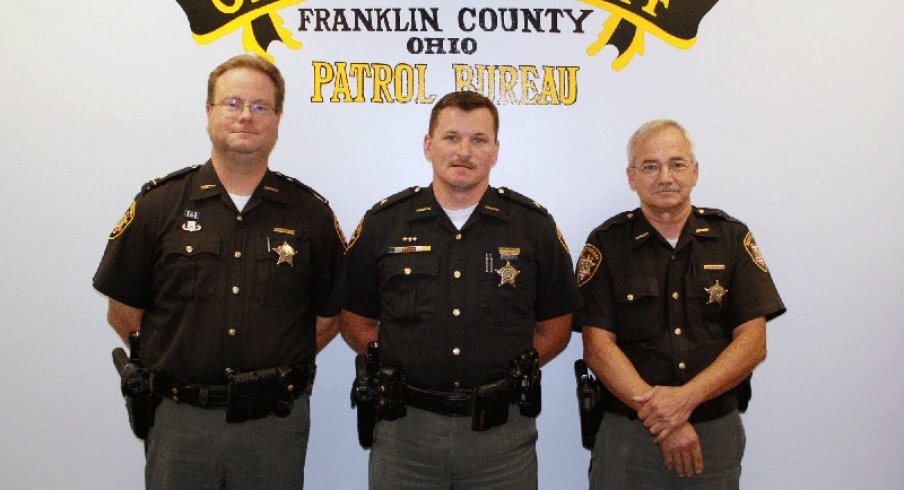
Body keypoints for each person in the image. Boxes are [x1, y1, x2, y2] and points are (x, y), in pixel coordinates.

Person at [93, 54, 345, 489]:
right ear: (209, 111)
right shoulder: (159, 205)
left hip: (273, 426)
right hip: (180, 423)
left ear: (277, 119)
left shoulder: (310, 214)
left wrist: (270, 374)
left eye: (261, 106)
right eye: (232, 103)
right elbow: (123, 311)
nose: (246, 116)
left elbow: (329, 318)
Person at [338, 91, 582, 489]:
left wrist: (511, 370)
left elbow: (556, 325)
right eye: (451, 137)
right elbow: (354, 319)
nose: (464, 152)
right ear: (428, 145)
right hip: (405, 433)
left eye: (478, 140)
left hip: (501, 436)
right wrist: (402, 361)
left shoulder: (532, 227)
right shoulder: (385, 223)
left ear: (495, 150)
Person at [575, 120, 786, 488]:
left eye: (676, 164)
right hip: (630, 433)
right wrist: (664, 418)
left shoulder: (731, 238)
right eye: (650, 166)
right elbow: (597, 348)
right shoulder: (607, 243)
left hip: (712, 431)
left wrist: (686, 400)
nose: (665, 177)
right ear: (631, 177)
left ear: (695, 171)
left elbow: (753, 343)